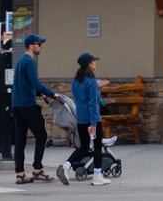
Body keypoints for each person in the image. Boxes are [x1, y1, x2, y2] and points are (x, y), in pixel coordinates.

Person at [11, 33, 59, 184]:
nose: (41, 46)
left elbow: (27, 84)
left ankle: (20, 174)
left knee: (20, 141)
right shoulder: (30, 62)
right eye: (39, 44)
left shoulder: (20, 61)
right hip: (27, 106)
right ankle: (37, 170)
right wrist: (51, 94)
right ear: (31, 45)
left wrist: (39, 94)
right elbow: (36, 83)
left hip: (17, 106)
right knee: (42, 135)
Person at [59, 53, 109, 186]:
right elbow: (93, 103)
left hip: (81, 119)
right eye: (94, 61)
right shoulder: (91, 82)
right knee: (98, 147)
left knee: (84, 148)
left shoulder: (76, 81)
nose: (95, 63)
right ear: (89, 64)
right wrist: (93, 123)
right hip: (92, 120)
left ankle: (66, 166)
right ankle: (97, 176)